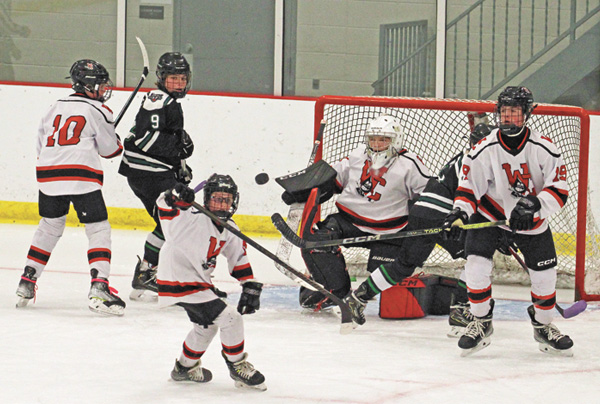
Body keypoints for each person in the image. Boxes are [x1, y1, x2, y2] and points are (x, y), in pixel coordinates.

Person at [441, 86, 573, 356]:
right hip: (490, 217)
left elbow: (559, 190)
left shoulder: (545, 148)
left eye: (514, 112)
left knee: (545, 277)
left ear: (526, 114)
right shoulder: (482, 149)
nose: (508, 118)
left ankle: (543, 326)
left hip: (530, 222)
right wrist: (459, 214)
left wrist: (534, 204)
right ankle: (481, 321)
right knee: (476, 266)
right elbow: (468, 189)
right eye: (504, 112)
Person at [343, 114, 498, 336]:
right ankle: (460, 308)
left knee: (405, 264)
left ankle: (359, 297)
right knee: (478, 256)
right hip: (444, 216)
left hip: (421, 212)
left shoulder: (467, 156)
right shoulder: (482, 162)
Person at [16, 59, 125, 316]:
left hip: (47, 173)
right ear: (87, 86)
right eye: (100, 84)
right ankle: (99, 286)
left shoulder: (53, 107)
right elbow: (111, 150)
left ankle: (27, 280)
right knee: (98, 228)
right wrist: (116, 139)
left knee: (50, 225)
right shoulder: (99, 110)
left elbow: (41, 144)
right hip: (81, 175)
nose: (103, 89)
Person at [297, 114, 432, 311]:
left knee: (392, 274)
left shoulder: (409, 163)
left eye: (384, 139)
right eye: (373, 139)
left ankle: (367, 293)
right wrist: (304, 187)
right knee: (316, 242)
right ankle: (335, 289)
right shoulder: (357, 155)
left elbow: (430, 194)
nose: (377, 144)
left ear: (396, 140)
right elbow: (333, 179)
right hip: (348, 222)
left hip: (390, 231)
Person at [156, 175, 266, 391]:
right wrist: (175, 195)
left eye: (227, 199)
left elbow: (239, 259)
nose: (222, 204)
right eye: (217, 199)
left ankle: (184, 367)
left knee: (205, 327)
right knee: (231, 319)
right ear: (206, 199)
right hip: (178, 278)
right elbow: (166, 205)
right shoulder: (189, 215)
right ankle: (237, 365)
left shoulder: (230, 227)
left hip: (199, 283)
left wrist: (249, 284)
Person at [118, 52, 194, 302]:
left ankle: (146, 275)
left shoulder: (166, 100)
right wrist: (177, 148)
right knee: (176, 220)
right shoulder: (158, 100)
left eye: (182, 79)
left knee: (170, 221)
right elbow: (147, 139)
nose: (179, 84)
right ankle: (151, 272)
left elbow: (165, 139)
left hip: (148, 172)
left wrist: (180, 166)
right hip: (148, 173)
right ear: (161, 78)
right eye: (173, 79)